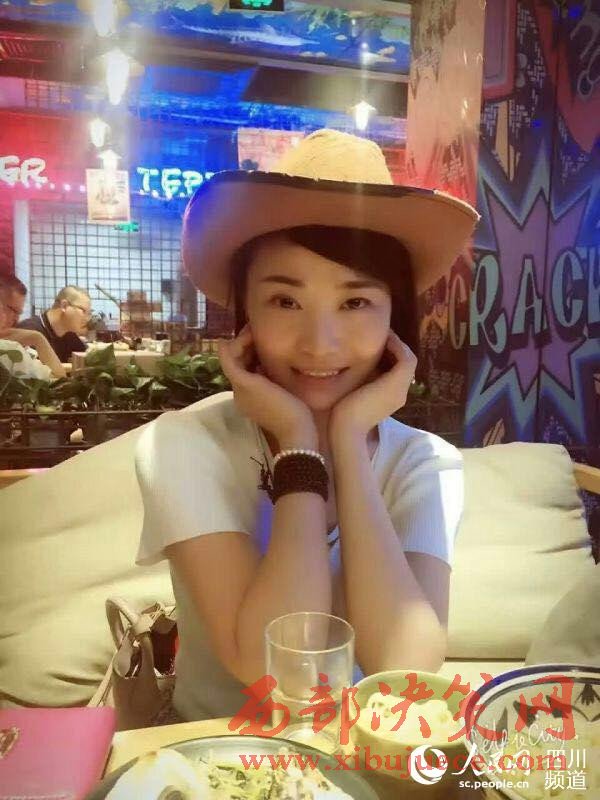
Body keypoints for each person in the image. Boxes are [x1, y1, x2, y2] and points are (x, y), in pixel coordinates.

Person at [134, 129, 480, 722]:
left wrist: (346, 440)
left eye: (355, 303)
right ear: (245, 315)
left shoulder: (427, 462)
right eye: (285, 301)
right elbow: (274, 670)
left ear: (395, 318)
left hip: (362, 753)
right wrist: (299, 446)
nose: (320, 344)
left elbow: (407, 671)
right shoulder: (185, 444)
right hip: (214, 754)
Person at [0, 275, 66, 378]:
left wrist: (37, 338)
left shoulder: (12, 345)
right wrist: (37, 338)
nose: (16, 319)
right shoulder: (29, 328)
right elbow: (58, 380)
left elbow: (58, 380)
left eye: (19, 313)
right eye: (13, 310)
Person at [18, 286, 90, 364]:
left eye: (89, 313)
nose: (87, 319)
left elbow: (88, 359)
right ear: (64, 306)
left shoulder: (69, 335)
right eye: (83, 311)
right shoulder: (28, 331)